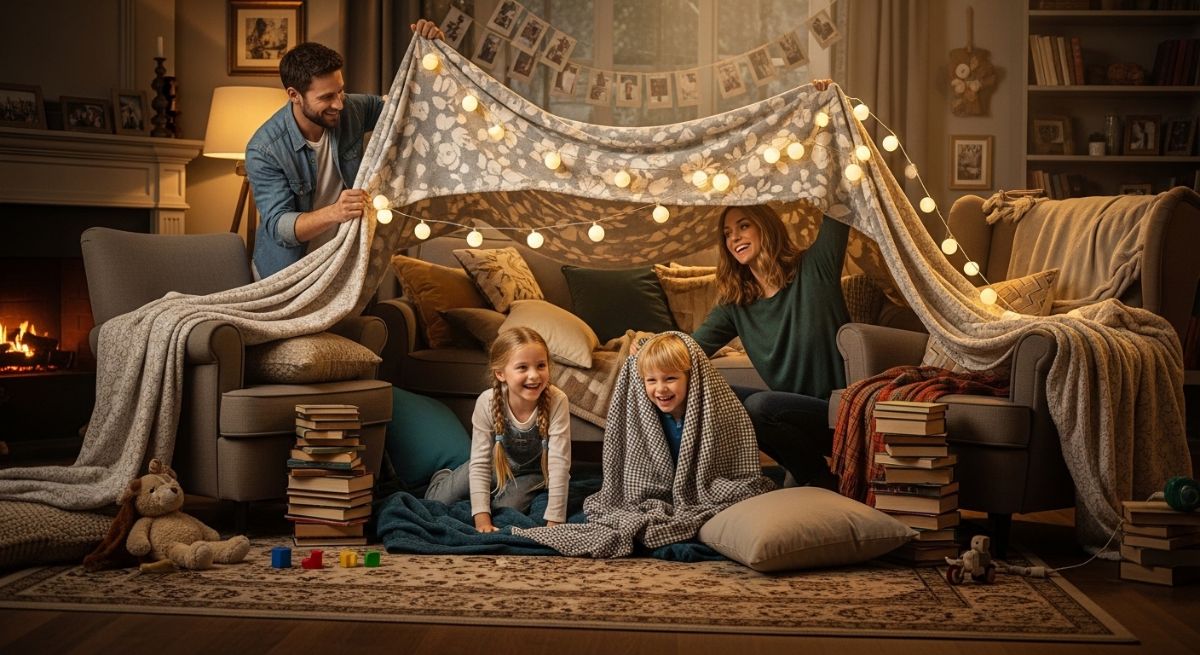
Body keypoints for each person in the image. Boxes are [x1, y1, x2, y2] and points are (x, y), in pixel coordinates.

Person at [245, 20, 444, 279]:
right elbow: (280, 228)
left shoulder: (352, 108)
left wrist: (434, 54)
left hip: (344, 265)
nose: (339, 104)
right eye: (326, 97)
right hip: (287, 275)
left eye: (340, 91)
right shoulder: (264, 149)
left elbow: (410, 109)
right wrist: (336, 212)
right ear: (294, 95)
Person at [425, 327, 572, 532]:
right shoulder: (487, 402)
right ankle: (445, 477)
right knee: (435, 501)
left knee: (505, 510)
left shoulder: (558, 401)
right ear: (501, 373)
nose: (534, 376)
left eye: (540, 366)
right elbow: (481, 463)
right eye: (522, 367)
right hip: (494, 466)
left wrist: (556, 522)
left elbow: (559, 464)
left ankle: (496, 494)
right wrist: (482, 521)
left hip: (532, 473)